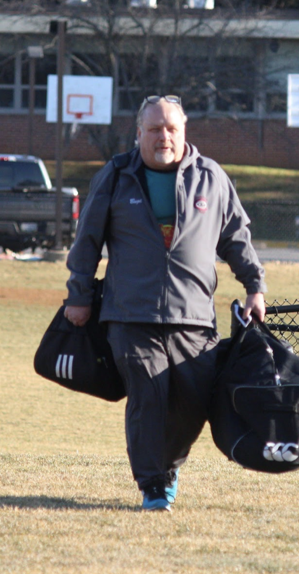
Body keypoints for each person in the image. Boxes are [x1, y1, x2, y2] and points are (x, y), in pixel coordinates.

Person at [63, 94, 266, 512]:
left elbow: (236, 238)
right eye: (154, 129)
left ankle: (168, 467)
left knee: (193, 404)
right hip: (130, 315)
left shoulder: (211, 177)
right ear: (138, 133)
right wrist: (79, 296)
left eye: (171, 128)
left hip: (194, 318)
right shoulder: (117, 176)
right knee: (148, 394)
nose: (163, 137)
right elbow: (87, 242)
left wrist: (254, 286)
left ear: (184, 131)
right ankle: (152, 484)